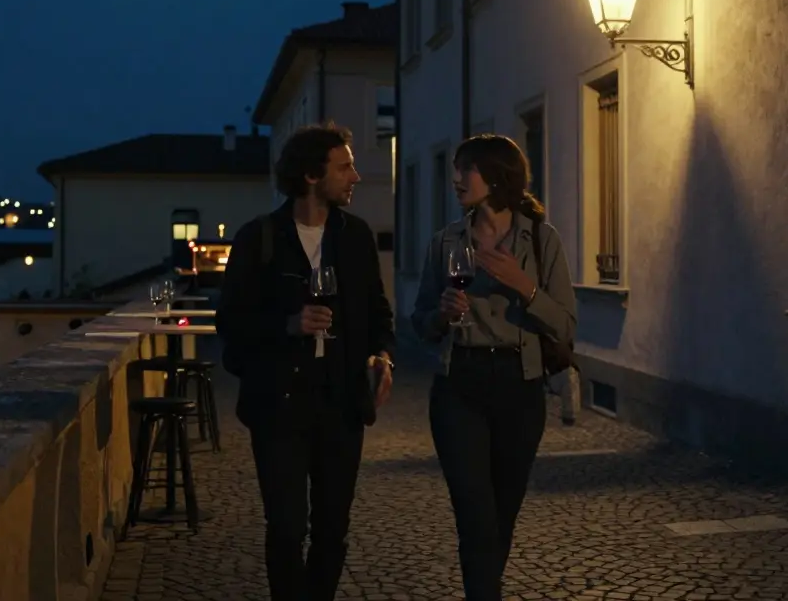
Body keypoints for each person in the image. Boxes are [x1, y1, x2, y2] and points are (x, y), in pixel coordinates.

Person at [217, 123, 395, 601]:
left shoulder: (355, 237)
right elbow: (230, 324)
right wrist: (288, 325)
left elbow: (379, 313)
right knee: (287, 528)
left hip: (341, 403)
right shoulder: (259, 238)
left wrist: (382, 356)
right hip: (279, 406)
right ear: (313, 175)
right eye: (345, 167)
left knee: (333, 529)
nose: (356, 176)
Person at [411, 133, 576, 601]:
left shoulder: (541, 241)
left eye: (469, 168)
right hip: (458, 386)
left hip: (517, 386)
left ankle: (485, 587)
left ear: (498, 176)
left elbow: (565, 324)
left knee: (502, 512)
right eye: (456, 168)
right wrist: (441, 315)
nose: (457, 178)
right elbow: (420, 322)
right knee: (474, 513)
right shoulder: (445, 241)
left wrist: (524, 286)